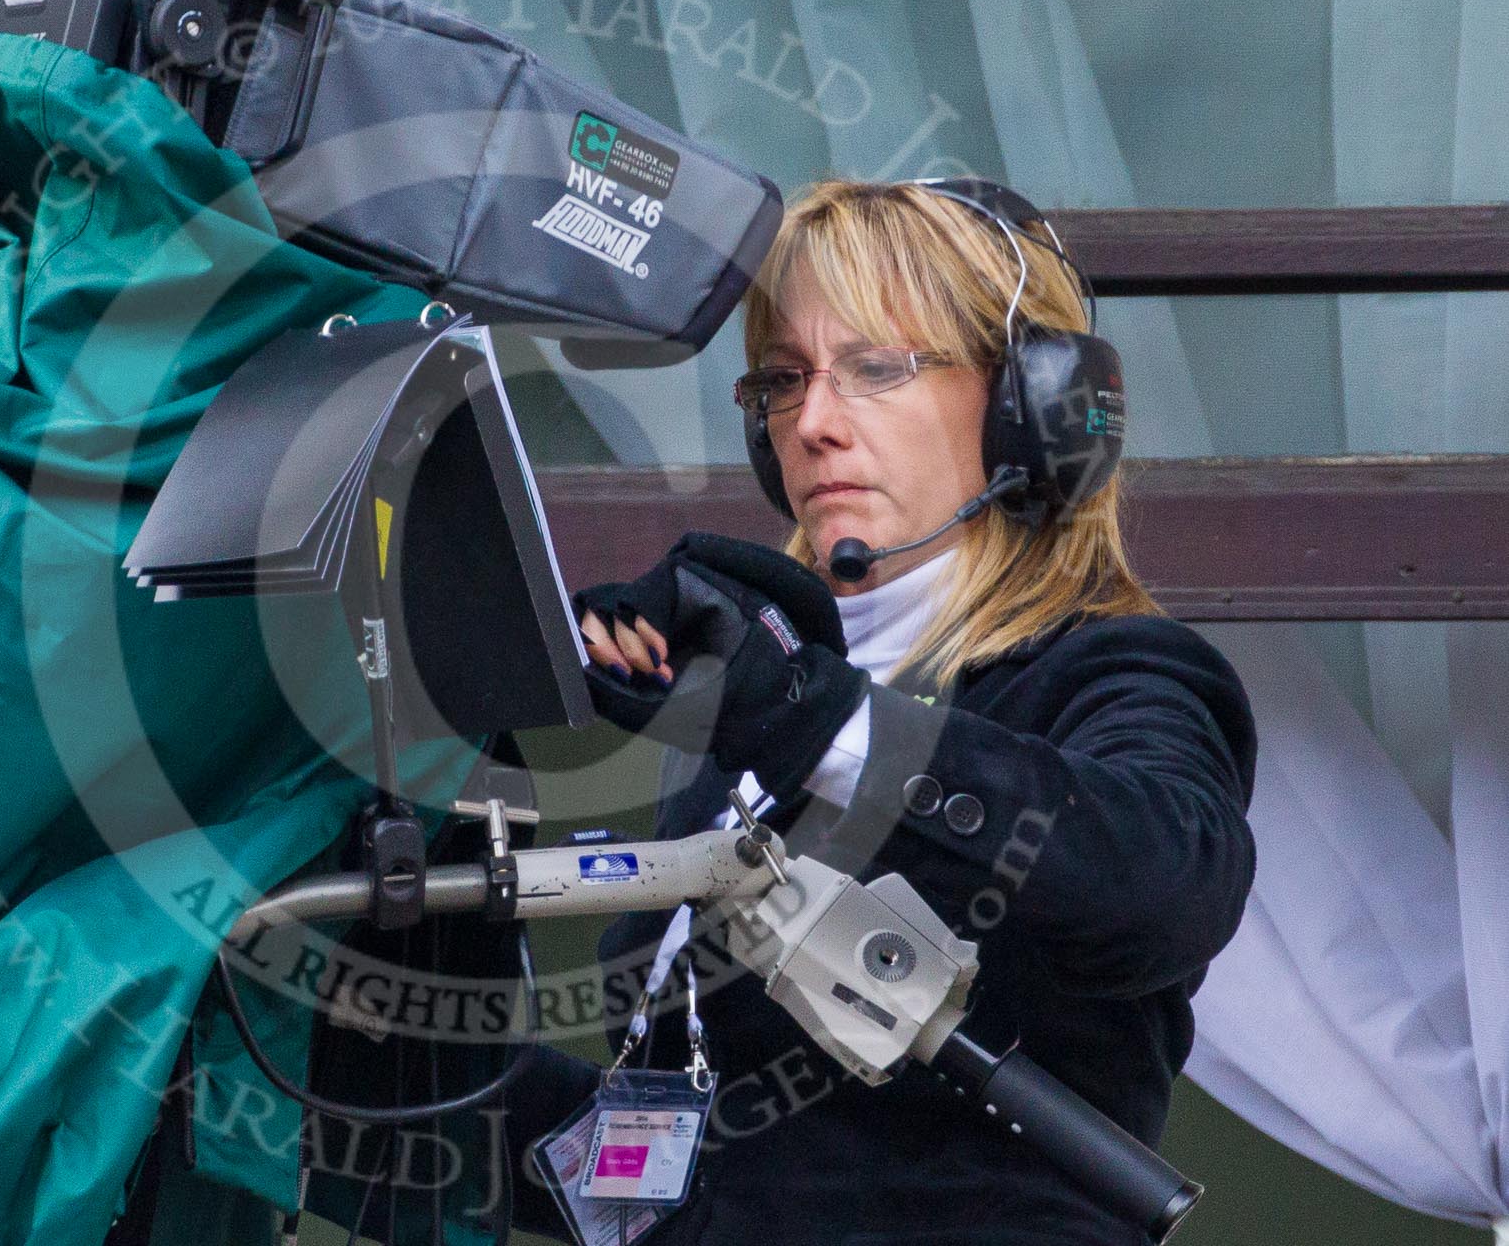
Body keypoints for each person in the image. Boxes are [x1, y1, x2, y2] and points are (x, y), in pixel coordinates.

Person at [505, 177, 1258, 1245]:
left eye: (875, 368)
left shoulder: (1112, 671)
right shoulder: (749, 724)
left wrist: (822, 721)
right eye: (784, 379)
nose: (813, 423)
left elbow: (1165, 878)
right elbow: (667, 1176)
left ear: (1025, 408)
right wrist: (393, 1071)